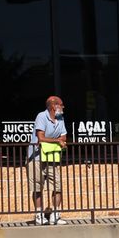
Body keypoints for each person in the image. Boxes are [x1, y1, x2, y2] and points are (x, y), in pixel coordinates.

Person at [34, 94, 67, 225]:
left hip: (52, 156)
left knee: (57, 185)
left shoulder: (60, 118)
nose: (63, 107)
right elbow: (40, 137)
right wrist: (57, 140)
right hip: (36, 157)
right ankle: (39, 215)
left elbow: (64, 137)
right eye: (61, 104)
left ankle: (55, 215)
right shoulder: (41, 116)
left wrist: (58, 141)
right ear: (54, 106)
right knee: (37, 186)